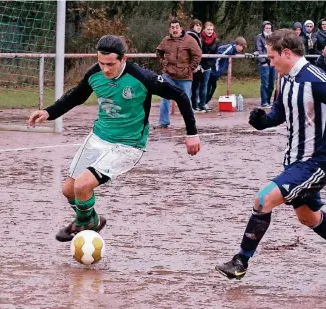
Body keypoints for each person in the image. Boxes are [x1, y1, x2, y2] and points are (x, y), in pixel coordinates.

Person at [215, 29, 326, 280]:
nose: (269, 62)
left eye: (271, 57)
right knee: (307, 217)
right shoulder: (287, 78)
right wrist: (264, 121)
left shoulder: (316, 79)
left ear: (286, 53)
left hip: (317, 163)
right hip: (295, 162)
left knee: (263, 200)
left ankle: (240, 262)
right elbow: (280, 111)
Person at [27, 35, 201, 242]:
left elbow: (180, 95)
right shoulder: (95, 74)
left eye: (110, 64)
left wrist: (191, 133)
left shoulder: (142, 77)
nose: (105, 69)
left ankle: (84, 222)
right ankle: (91, 220)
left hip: (128, 145)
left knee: (83, 185)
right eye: (101, 63)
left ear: (123, 59)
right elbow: (77, 95)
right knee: (69, 191)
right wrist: (49, 112)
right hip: (98, 137)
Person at [155, 19, 202, 129]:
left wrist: (190, 68)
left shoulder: (190, 40)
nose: (174, 29)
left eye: (176, 27)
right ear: (169, 29)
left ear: (181, 28)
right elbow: (159, 52)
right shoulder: (166, 40)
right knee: (164, 98)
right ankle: (163, 122)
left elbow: (198, 55)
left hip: (184, 76)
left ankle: (190, 123)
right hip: (168, 74)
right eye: (172, 27)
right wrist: (164, 63)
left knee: (186, 100)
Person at [205, 36, 247, 106]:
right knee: (209, 87)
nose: (242, 49)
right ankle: (203, 103)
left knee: (212, 87)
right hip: (213, 72)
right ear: (238, 45)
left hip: (215, 72)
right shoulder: (229, 49)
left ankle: (205, 102)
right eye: (242, 47)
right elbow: (217, 58)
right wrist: (217, 71)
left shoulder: (233, 50)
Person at [196, 21, 219, 113]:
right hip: (199, 65)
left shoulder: (216, 40)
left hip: (208, 65)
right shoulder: (199, 39)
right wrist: (199, 64)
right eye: (208, 29)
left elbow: (215, 53)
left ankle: (203, 103)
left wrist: (210, 64)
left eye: (211, 29)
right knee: (196, 86)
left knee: (205, 86)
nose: (210, 31)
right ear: (204, 30)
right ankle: (196, 103)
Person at [256, 21, 277, 108]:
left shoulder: (274, 38)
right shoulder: (259, 37)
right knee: (265, 83)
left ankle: (268, 100)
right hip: (264, 63)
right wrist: (263, 62)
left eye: (269, 28)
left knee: (272, 83)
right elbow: (259, 50)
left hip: (273, 62)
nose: (268, 30)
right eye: (266, 28)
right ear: (263, 28)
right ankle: (264, 101)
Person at [186, 19, 203, 111]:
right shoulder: (191, 36)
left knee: (195, 87)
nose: (199, 27)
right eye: (197, 25)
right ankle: (192, 107)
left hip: (197, 65)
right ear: (192, 26)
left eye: (200, 25)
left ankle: (194, 106)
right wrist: (194, 66)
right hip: (192, 66)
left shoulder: (198, 36)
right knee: (191, 88)